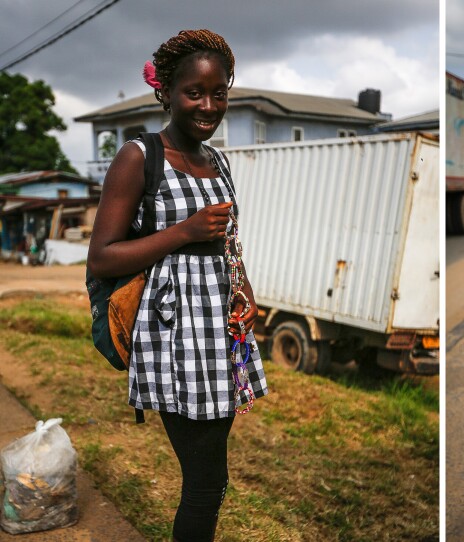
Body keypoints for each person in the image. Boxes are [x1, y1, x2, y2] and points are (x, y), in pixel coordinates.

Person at [87, 29, 268, 542]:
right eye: (195, 92)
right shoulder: (138, 156)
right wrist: (182, 233)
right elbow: (102, 257)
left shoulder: (220, 162)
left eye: (219, 94)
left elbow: (229, 243)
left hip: (219, 334)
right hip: (172, 338)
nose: (208, 106)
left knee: (211, 479)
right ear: (165, 92)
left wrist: (245, 292)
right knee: (207, 483)